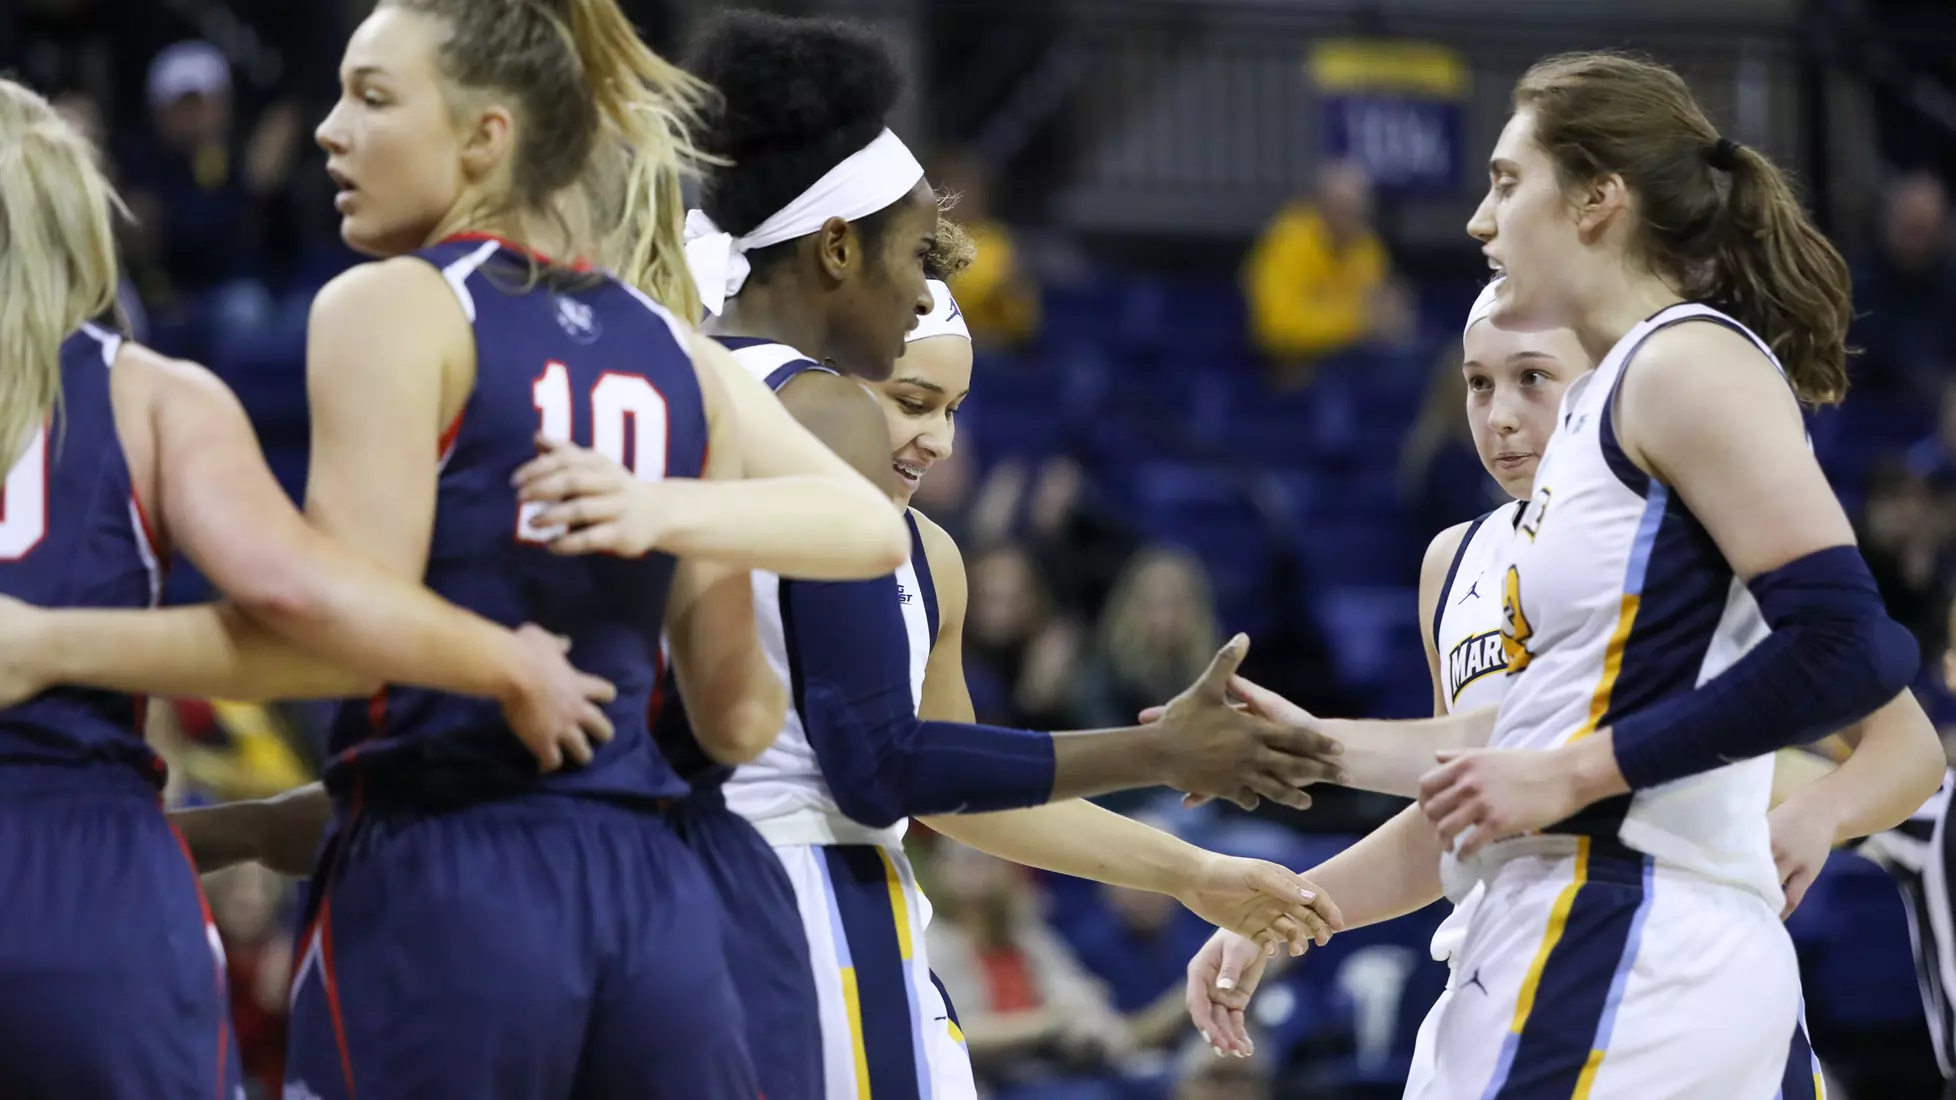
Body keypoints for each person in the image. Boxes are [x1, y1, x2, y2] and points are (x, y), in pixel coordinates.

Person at [0, 1, 923, 1096]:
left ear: (488, 136)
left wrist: (56, 644)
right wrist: (664, 513)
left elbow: (333, 622)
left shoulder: (395, 307)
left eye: (371, 97)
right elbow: (739, 708)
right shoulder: (672, 352)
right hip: (663, 895)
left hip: (449, 873)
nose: (328, 131)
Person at [1183, 51, 1936, 1095]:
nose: (1480, 221)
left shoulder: (1679, 363)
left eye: (1504, 181)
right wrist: (1306, 756)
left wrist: (1589, 776)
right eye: (1478, 382)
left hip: (1630, 933)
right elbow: (1495, 758)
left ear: (1597, 198)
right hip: (1558, 937)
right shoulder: (1573, 450)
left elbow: (1852, 649)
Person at [0, 74, 615, 1099]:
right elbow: (306, 613)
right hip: (92, 894)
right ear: (74, 221)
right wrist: (499, 656)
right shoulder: (151, 396)